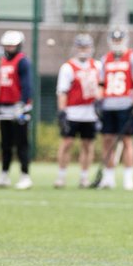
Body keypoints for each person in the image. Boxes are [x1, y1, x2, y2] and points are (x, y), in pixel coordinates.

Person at [96, 27, 133, 191]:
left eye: (119, 40)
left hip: (125, 105)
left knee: (127, 141)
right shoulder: (105, 59)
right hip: (108, 106)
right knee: (107, 141)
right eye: (114, 40)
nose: (117, 43)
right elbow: (101, 84)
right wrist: (98, 102)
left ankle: (128, 178)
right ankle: (108, 178)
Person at [0, 30, 34, 190]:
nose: (9, 48)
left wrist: (21, 106)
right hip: (4, 108)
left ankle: (25, 176)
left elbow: (27, 86)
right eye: (7, 45)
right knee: (5, 144)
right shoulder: (3, 61)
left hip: (18, 108)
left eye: (12, 45)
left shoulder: (23, 62)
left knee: (21, 144)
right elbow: (3, 88)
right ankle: (4, 176)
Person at [54, 33, 101, 188]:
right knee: (67, 143)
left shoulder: (98, 66)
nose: (83, 50)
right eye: (81, 47)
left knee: (87, 145)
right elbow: (62, 91)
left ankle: (84, 177)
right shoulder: (68, 67)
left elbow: (102, 87)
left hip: (90, 112)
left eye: (86, 47)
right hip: (73, 111)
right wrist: (62, 112)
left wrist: (100, 106)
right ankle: (61, 176)